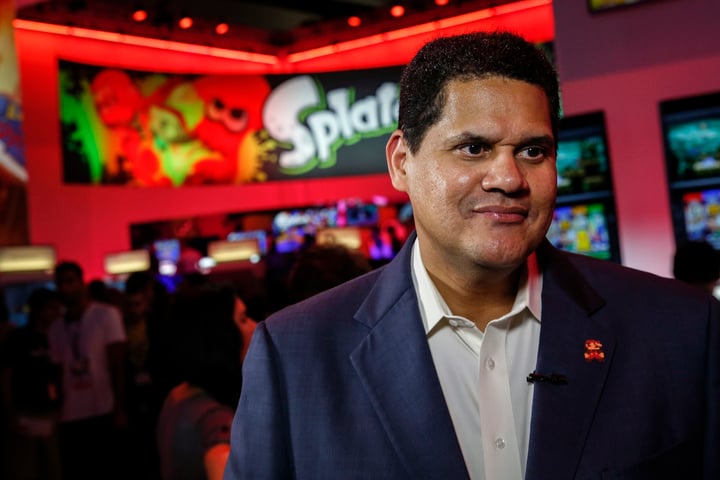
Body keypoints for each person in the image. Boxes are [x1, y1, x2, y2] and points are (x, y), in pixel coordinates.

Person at [223, 31, 720, 480]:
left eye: (533, 151)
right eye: (473, 148)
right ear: (401, 162)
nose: (508, 178)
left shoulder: (680, 330)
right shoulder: (295, 355)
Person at [48, 261, 128, 480]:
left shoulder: (106, 315)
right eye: (60, 283)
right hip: (70, 414)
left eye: (70, 281)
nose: (65, 288)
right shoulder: (55, 328)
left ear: (81, 283)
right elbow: (57, 372)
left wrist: (120, 408)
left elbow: (118, 364)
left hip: (103, 408)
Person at [156, 282, 243, 480]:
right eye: (243, 319)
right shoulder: (215, 418)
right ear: (222, 335)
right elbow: (220, 461)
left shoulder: (179, 395)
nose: (255, 327)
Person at [0, 287, 63, 480]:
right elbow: (6, 376)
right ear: (38, 309)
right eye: (51, 308)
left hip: (50, 411)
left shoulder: (56, 337)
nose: (56, 313)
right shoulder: (18, 338)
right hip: (24, 411)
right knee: (24, 467)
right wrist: (9, 412)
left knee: (52, 466)